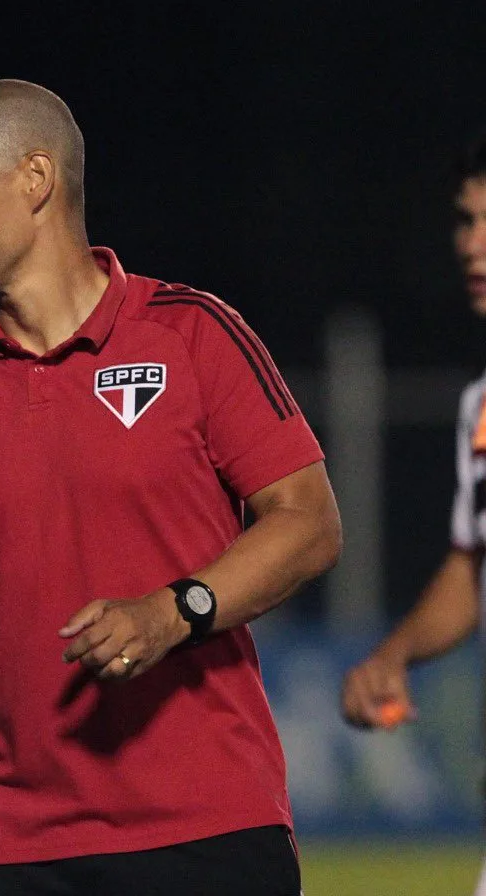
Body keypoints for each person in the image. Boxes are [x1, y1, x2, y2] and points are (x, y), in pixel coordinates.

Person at [0, 79, 343, 896]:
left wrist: (176, 610)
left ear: (35, 179)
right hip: (8, 840)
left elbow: (308, 522)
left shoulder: (192, 332)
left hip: (206, 822)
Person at [340, 137, 486, 887]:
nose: (474, 245)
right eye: (467, 221)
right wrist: (393, 655)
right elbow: (473, 563)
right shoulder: (480, 405)